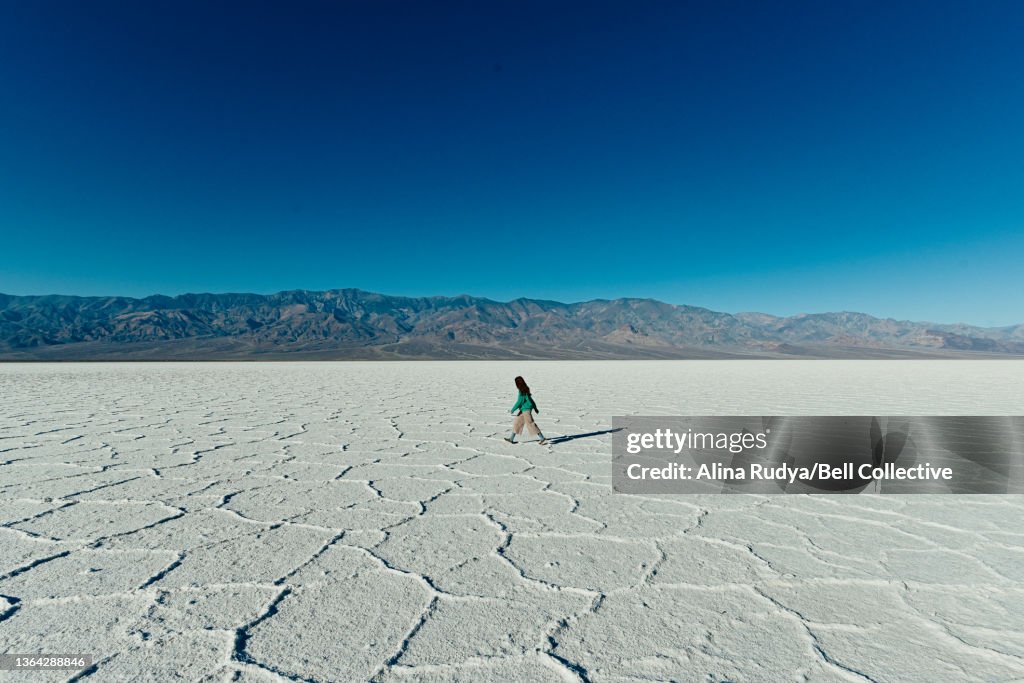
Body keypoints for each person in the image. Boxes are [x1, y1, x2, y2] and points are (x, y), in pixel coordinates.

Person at [505, 376, 546, 444]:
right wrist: (535, 408)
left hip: (526, 410)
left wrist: (513, 409)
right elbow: (530, 400)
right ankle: (511, 439)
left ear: (518, 383)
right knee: (517, 423)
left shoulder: (522, 391)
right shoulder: (525, 389)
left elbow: (519, 402)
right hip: (523, 410)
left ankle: (542, 438)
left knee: (530, 424)